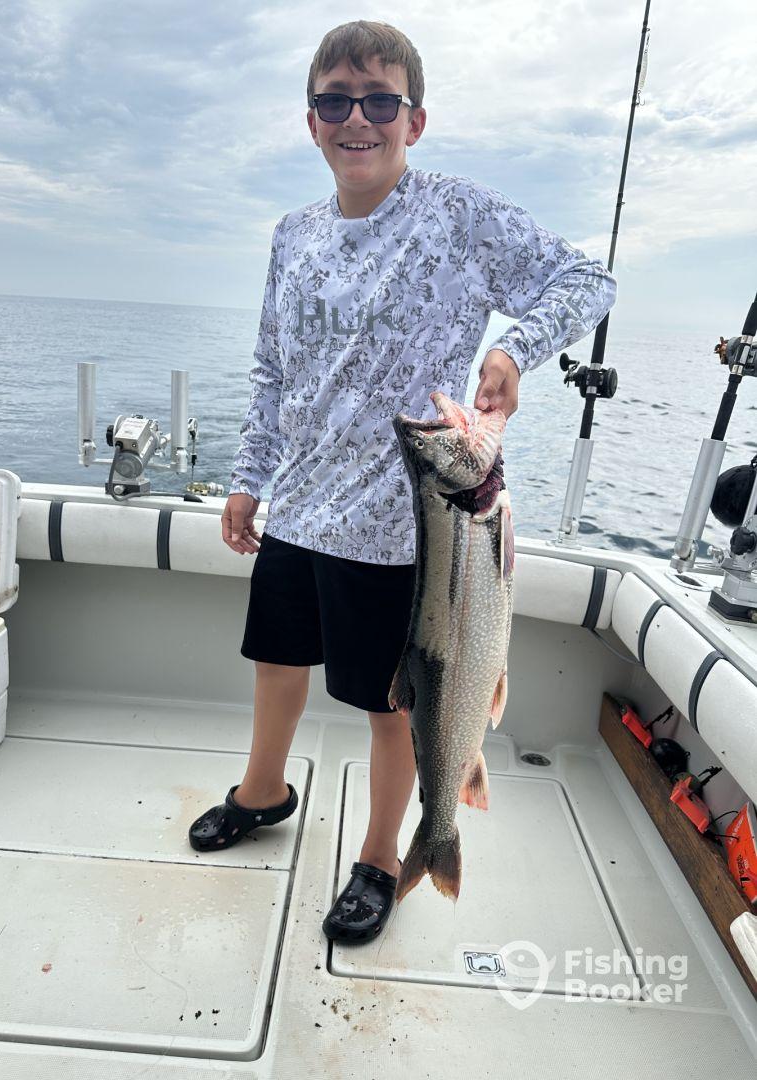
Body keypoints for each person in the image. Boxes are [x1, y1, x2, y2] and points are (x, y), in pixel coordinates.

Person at [188, 20, 617, 943]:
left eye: (379, 101)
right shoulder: (290, 235)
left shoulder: (459, 216)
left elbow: (587, 279)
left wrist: (514, 345)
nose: (359, 118)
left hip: (407, 523)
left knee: (394, 706)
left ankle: (384, 856)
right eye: (337, 101)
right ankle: (263, 793)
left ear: (413, 120)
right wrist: (248, 477)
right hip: (299, 502)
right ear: (312, 122)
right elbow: (272, 370)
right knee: (276, 663)